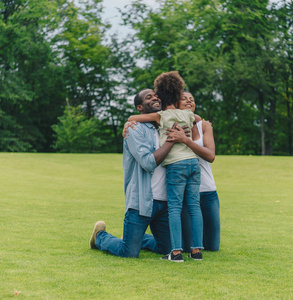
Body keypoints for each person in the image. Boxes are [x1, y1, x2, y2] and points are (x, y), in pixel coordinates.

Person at [89, 88, 178, 258]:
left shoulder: (164, 127)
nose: (155, 98)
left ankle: (137, 238)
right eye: (148, 97)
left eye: (156, 95)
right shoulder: (134, 129)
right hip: (141, 201)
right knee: (128, 252)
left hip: (164, 202)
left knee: (167, 249)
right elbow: (148, 162)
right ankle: (100, 237)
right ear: (140, 107)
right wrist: (172, 140)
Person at [128, 72, 204, 262]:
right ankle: (196, 251)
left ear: (161, 95)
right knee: (194, 206)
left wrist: (129, 122)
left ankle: (176, 252)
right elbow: (199, 118)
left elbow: (133, 117)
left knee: (175, 209)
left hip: (176, 166)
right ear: (178, 94)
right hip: (193, 163)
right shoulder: (188, 114)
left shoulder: (161, 116)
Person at [169, 91, 221, 252]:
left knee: (212, 247)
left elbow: (210, 156)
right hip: (186, 193)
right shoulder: (172, 124)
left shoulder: (204, 125)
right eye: (184, 98)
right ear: (176, 103)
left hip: (207, 192)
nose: (189, 101)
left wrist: (185, 140)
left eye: (192, 99)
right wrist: (129, 122)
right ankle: (142, 238)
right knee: (185, 247)